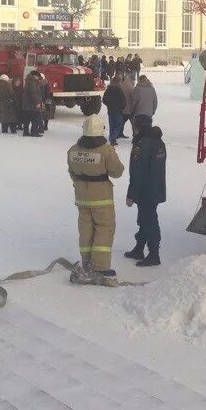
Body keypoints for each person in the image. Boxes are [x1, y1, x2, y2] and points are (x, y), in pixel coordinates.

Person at [67, 112, 125, 283]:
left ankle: (86, 264)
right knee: (104, 229)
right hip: (102, 199)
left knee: (86, 230)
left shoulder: (73, 150)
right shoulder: (106, 150)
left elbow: (72, 172)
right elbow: (118, 171)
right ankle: (99, 267)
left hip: (81, 198)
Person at [125, 114, 166, 267]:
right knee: (145, 218)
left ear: (137, 126)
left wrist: (131, 194)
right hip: (157, 187)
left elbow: (137, 172)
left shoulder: (141, 145)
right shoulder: (159, 142)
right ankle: (139, 248)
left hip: (145, 190)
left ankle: (154, 254)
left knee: (149, 220)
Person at [102, 76, 127, 146]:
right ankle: (113, 138)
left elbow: (104, 100)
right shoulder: (119, 89)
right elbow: (123, 100)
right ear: (119, 81)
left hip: (110, 110)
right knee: (119, 124)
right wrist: (122, 107)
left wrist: (109, 105)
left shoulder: (108, 89)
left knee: (112, 125)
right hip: (118, 110)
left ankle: (112, 137)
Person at [22, 71, 44, 137]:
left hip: (27, 104)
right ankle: (34, 132)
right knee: (35, 120)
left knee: (27, 119)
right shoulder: (32, 82)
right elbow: (33, 93)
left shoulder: (28, 81)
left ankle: (25, 132)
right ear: (35, 76)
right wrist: (37, 102)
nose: (38, 78)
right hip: (32, 105)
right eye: (38, 77)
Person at [119, 72, 135, 139]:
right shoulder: (130, 86)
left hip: (123, 107)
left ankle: (119, 133)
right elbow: (134, 97)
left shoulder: (121, 85)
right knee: (133, 123)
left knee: (122, 122)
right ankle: (135, 135)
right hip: (130, 108)